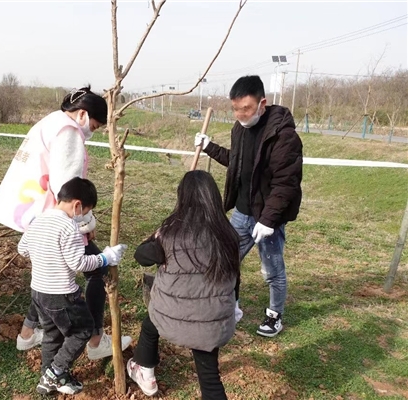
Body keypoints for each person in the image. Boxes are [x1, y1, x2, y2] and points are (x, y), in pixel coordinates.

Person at [0, 86, 132, 358]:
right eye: (95, 124)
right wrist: (85, 220)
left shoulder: (51, 121)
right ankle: (94, 341)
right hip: (57, 217)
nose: (92, 130)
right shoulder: (68, 132)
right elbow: (67, 185)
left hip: (37, 215)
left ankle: (28, 334)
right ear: (82, 114)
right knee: (97, 271)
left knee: (46, 275)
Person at [194, 75, 303, 337]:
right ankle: (232, 307)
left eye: (246, 108)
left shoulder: (283, 136)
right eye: (235, 108)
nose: (241, 114)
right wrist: (209, 147)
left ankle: (274, 316)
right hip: (242, 214)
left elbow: (285, 183)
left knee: (272, 270)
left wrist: (268, 220)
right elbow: (238, 163)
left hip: (268, 218)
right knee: (227, 261)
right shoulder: (239, 128)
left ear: (262, 103)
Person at [127, 170, 240, 399]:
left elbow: (141, 256)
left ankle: (145, 372)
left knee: (151, 324)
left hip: (171, 315)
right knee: (209, 375)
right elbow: (235, 276)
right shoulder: (228, 234)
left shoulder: (170, 234)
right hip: (212, 321)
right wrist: (234, 304)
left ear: (183, 197)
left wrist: (154, 237)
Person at [17, 177, 128, 395]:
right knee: (83, 330)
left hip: (38, 291)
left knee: (51, 335)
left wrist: (46, 255)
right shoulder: (69, 227)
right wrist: (105, 258)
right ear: (77, 205)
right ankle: (55, 372)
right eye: (87, 211)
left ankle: (48, 378)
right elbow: (79, 263)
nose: (85, 216)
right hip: (62, 294)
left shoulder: (38, 220)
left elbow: (23, 249)